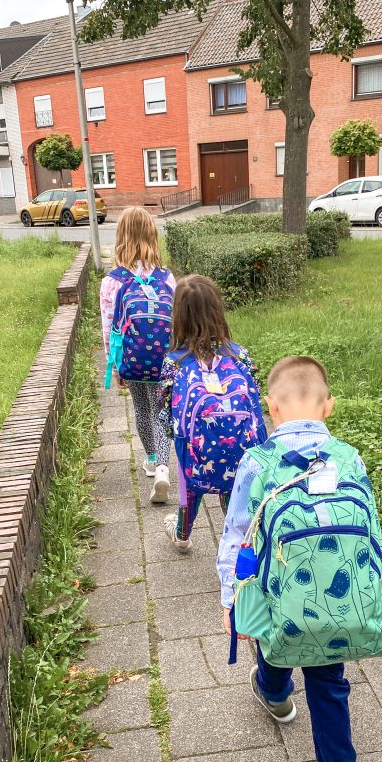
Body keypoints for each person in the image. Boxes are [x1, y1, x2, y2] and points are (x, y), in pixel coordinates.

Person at [217, 356, 382, 762]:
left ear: (270, 408)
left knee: (276, 640)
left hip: (284, 603)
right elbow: (372, 533)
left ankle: (275, 693)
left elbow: (237, 533)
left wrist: (230, 594)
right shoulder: (350, 458)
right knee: (329, 680)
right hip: (342, 607)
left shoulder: (256, 462)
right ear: (328, 407)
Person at [158, 274, 267, 551]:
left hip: (193, 446)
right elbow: (254, 392)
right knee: (234, 486)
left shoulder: (174, 361)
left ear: (178, 316)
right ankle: (238, 535)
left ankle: (182, 535)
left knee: (189, 490)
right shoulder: (239, 355)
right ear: (218, 311)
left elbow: (164, 408)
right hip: (240, 445)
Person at [101, 206, 175, 503]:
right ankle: (163, 469)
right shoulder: (167, 278)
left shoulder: (113, 281)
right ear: (152, 236)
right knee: (162, 412)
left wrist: (114, 364)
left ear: (121, 237)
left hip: (131, 358)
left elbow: (109, 327)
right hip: (163, 357)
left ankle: (151, 458)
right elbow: (177, 322)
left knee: (143, 409)